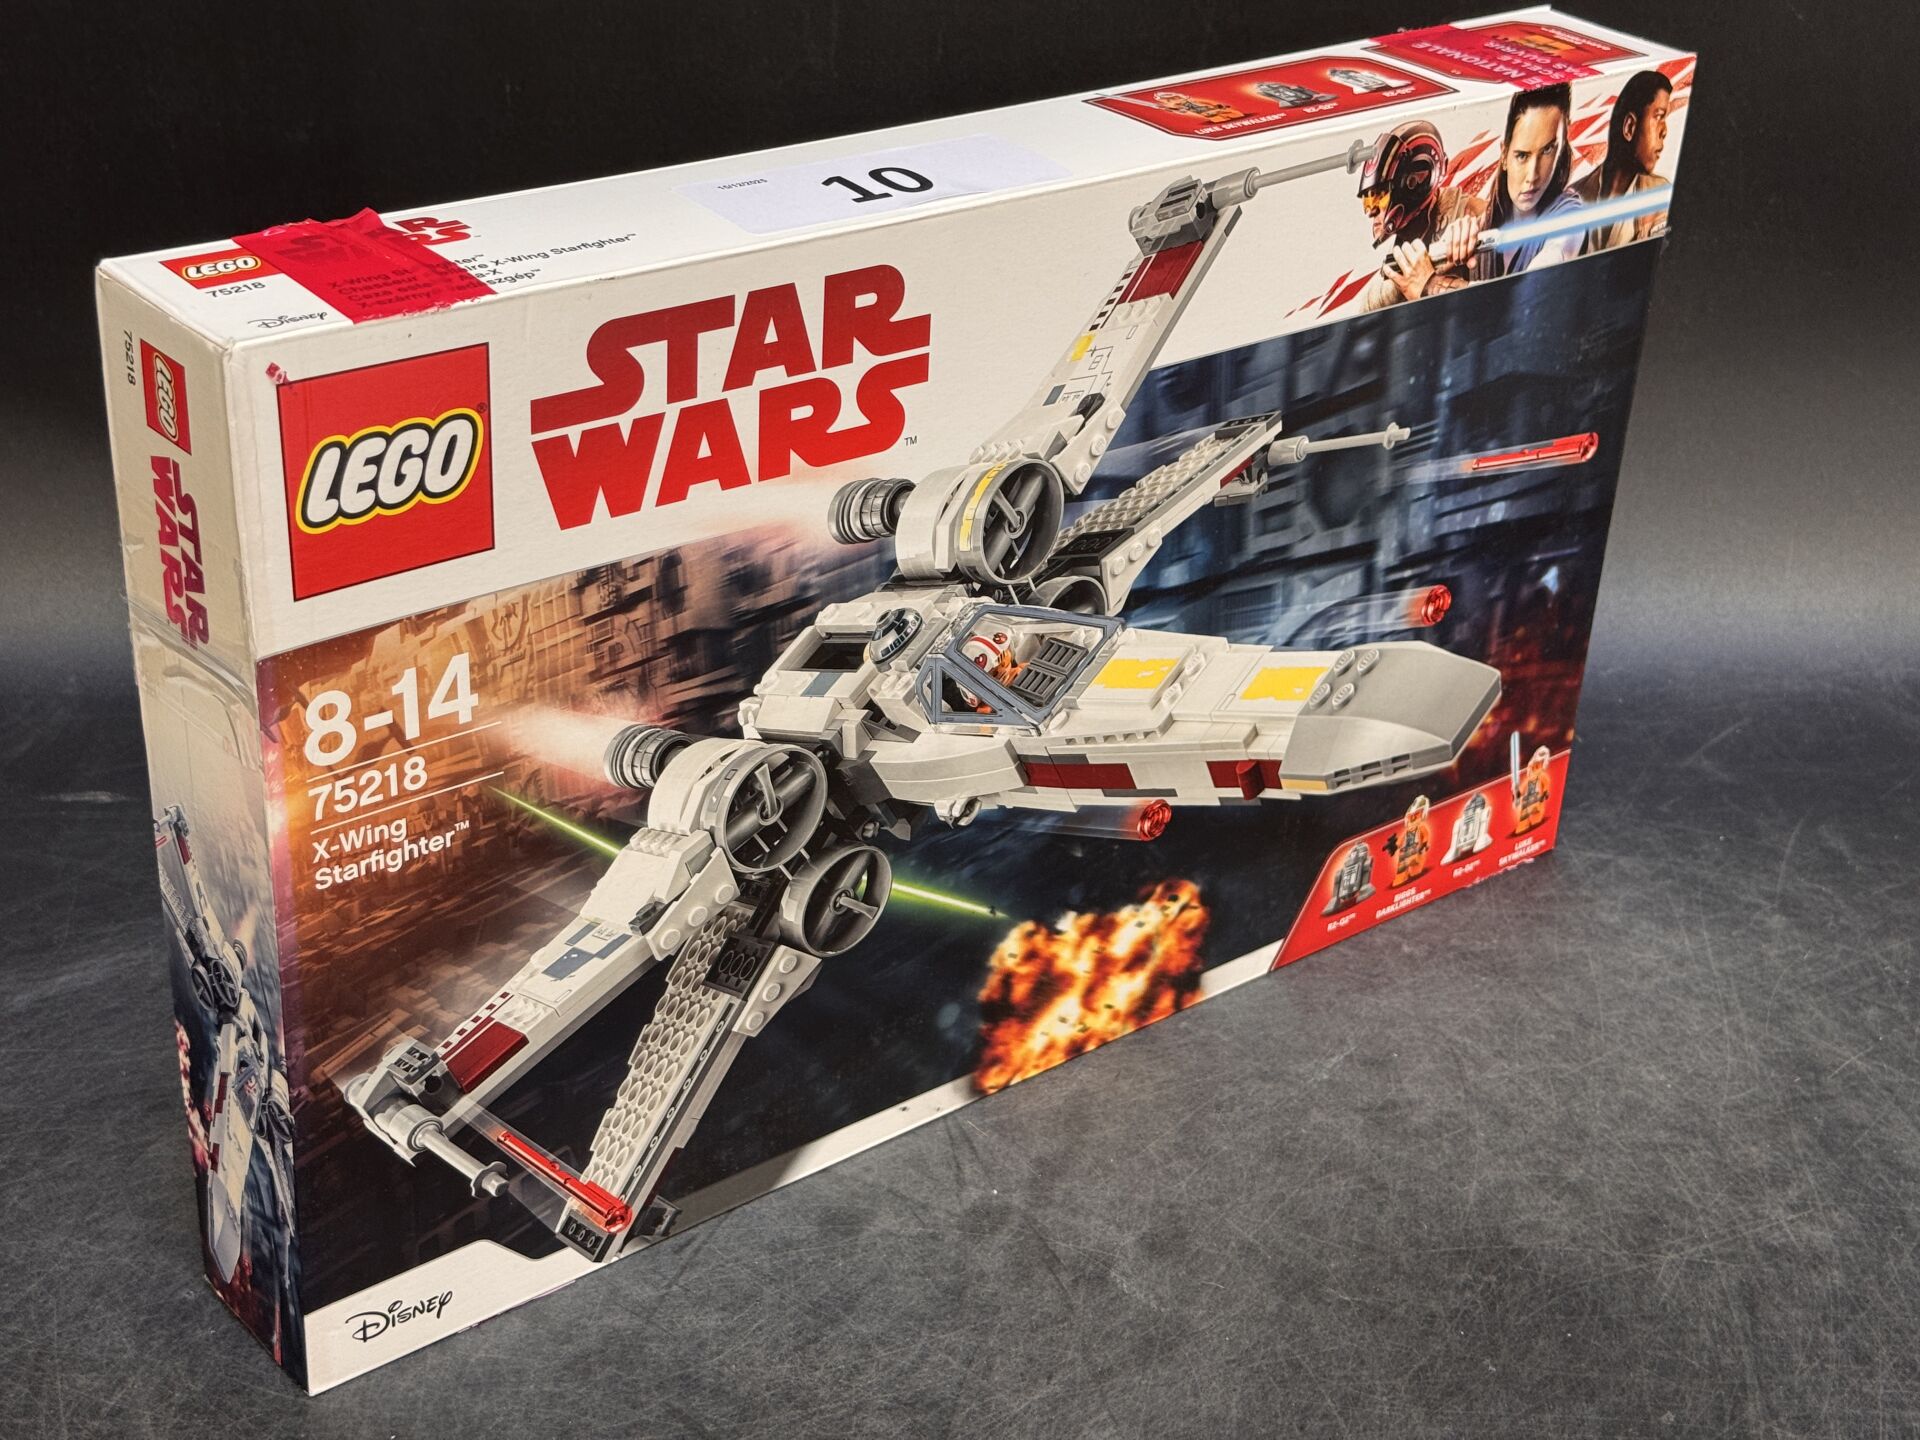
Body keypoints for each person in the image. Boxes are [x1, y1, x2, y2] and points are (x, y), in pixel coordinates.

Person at [1433, 85, 1583, 280]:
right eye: (1522, 156)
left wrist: (1430, 285)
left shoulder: (1569, 215)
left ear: (1561, 146)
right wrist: (1447, 250)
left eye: (1547, 150)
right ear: (1504, 155)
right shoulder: (1483, 224)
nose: (1532, 176)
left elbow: (1534, 286)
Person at [1358, 121, 1481, 310]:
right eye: (1367, 199)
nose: (1370, 211)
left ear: (1413, 183)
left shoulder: (1473, 217)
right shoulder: (1394, 257)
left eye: (1380, 195)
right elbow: (1368, 307)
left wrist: (1429, 286)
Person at [1573, 70, 1672, 252]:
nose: (1664, 131)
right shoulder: (1574, 197)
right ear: (1630, 127)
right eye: (1659, 116)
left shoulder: (1660, 196)